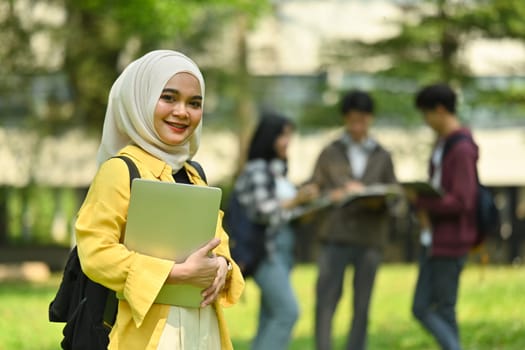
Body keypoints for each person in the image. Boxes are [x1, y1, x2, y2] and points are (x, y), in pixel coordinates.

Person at [75, 50, 244, 350]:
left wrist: (223, 267)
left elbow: (219, 243)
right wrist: (174, 274)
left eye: (194, 103)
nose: (182, 112)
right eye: (169, 98)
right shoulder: (121, 170)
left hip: (203, 331)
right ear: (139, 100)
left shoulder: (194, 174)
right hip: (145, 335)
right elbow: (95, 251)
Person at [308, 90, 398, 350]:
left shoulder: (383, 154)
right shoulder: (330, 152)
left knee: (362, 304)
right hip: (334, 235)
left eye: (363, 120)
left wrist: (377, 197)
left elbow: (395, 195)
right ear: (346, 119)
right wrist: (331, 194)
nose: (358, 126)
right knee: (326, 300)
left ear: (370, 119)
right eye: (353, 120)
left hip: (370, 238)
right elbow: (315, 188)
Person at [230, 113, 317, 350]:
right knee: (287, 312)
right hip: (266, 254)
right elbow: (263, 212)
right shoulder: (257, 169)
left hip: (282, 254)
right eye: (283, 135)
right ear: (269, 138)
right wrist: (297, 200)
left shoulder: (276, 170)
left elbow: (283, 213)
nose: (288, 141)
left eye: (290, 135)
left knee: (270, 316)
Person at [409, 83, 478, 350]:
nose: (426, 121)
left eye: (426, 114)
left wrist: (421, 200)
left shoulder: (461, 149)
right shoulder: (443, 145)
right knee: (429, 308)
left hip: (451, 240)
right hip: (434, 238)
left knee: (435, 307)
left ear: (439, 110)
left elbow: (462, 200)